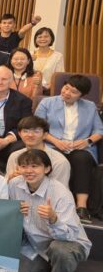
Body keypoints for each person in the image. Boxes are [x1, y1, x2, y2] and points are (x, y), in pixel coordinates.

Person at [10, 149, 91, 272]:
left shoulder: (61, 193)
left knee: (61, 251)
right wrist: (15, 212)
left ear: (47, 168)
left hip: (68, 241)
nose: (29, 171)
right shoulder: (14, 184)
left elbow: (70, 235)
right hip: (37, 243)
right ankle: (58, 268)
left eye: (35, 166)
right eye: (24, 166)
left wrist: (54, 219)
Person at [35, 74, 103, 223]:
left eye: (73, 92)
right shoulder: (47, 103)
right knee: (57, 159)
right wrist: (56, 141)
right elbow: (37, 127)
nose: (67, 93)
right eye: (66, 88)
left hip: (80, 147)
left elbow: (99, 130)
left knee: (82, 158)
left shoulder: (90, 106)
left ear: (82, 95)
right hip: (53, 144)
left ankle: (81, 208)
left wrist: (87, 141)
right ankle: (53, 205)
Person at [6, 116, 71, 185]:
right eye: (25, 131)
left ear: (45, 135)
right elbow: (6, 185)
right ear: (20, 134)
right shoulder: (14, 156)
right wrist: (11, 179)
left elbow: (60, 189)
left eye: (36, 131)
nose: (30, 135)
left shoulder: (59, 161)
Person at [32, 27, 64, 92]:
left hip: (49, 90)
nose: (43, 39)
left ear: (51, 38)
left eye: (46, 37)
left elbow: (59, 76)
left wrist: (49, 87)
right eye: (40, 37)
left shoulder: (58, 56)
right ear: (35, 39)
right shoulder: (30, 54)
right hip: (31, 89)